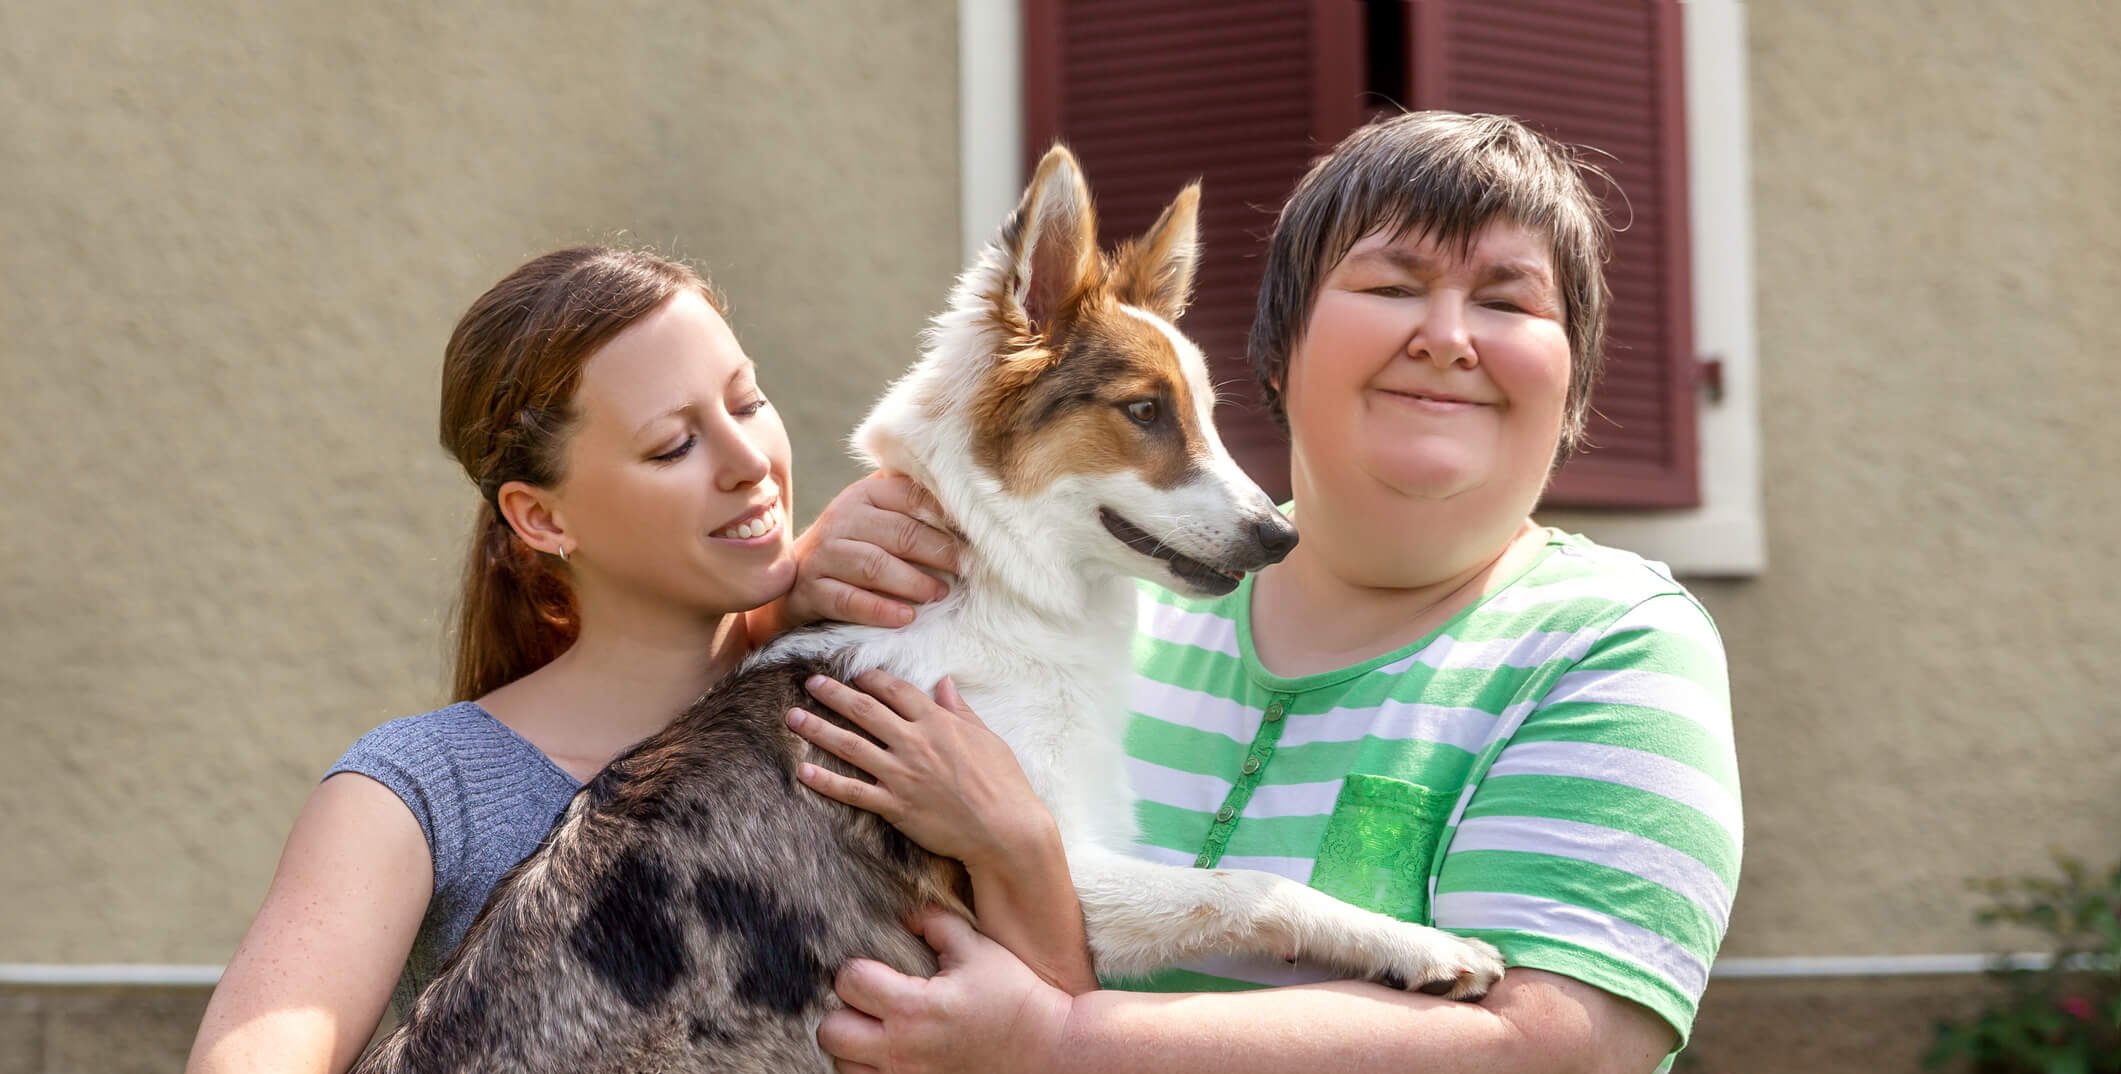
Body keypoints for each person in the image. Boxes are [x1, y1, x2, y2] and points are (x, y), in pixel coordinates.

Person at [784, 111, 1741, 1074]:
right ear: (1276, 349)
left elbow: (1562, 1051)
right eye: (1394, 284)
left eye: (1507, 300)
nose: (1447, 337)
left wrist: (1057, 1040)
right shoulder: (1102, 590)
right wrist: (782, 598)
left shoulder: (1614, 645)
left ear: (1575, 375)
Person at [182, 247, 981, 1073]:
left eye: (747, 402)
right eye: (674, 446)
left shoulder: (873, 718)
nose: (749, 464)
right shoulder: (421, 788)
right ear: (540, 518)